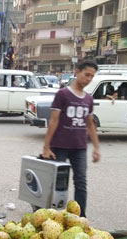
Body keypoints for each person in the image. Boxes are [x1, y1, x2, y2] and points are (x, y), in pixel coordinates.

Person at [42, 60, 101, 217]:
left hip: (79, 147)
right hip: (59, 146)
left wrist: (96, 148)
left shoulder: (88, 98)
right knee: (55, 183)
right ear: (77, 72)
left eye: (91, 77)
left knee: (81, 182)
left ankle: (81, 218)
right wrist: (46, 147)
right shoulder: (63, 94)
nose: (88, 79)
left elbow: (90, 124)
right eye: (86, 75)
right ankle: (49, 216)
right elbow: (53, 121)